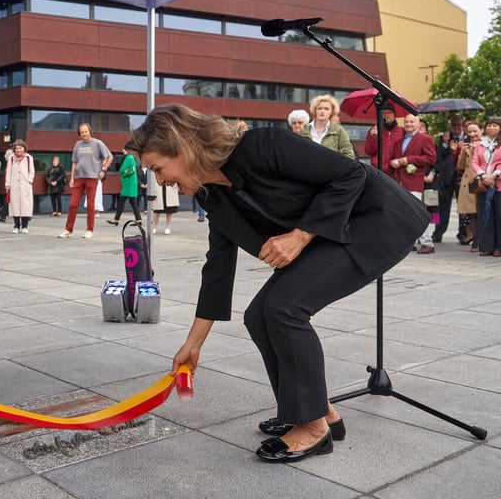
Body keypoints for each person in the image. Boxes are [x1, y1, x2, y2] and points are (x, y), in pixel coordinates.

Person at [124, 104, 427, 464]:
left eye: (159, 169)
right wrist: (193, 344)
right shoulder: (213, 195)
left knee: (285, 308)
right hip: (329, 233)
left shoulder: (261, 146)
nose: (160, 181)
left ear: (184, 148)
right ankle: (319, 410)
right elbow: (218, 270)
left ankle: (313, 429)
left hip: (376, 220)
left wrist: (299, 236)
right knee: (259, 315)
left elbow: (349, 175)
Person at [389, 114, 438, 254]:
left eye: (412, 121)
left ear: (418, 124)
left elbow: (431, 158)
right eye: (406, 122)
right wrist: (394, 162)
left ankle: (427, 243)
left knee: (415, 213)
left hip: (415, 180)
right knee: (405, 213)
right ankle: (412, 242)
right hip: (400, 180)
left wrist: (408, 159)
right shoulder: (400, 142)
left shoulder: (425, 139)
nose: (409, 124)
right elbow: (394, 159)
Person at [58, 123, 112, 239]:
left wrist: (103, 170)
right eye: (82, 132)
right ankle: (68, 229)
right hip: (79, 178)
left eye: (86, 131)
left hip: (92, 178)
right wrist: (72, 177)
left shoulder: (98, 143)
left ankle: (89, 229)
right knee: (73, 204)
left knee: (91, 205)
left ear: (90, 131)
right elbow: (74, 162)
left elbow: (109, 156)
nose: (84, 134)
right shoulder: (78, 144)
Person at [432, 115, 465, 243]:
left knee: (462, 207)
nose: (456, 128)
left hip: (461, 176)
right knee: (443, 207)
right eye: (454, 125)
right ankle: (438, 233)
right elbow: (439, 156)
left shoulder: (467, 137)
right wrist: (445, 144)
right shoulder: (445, 138)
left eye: (459, 125)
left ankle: (463, 234)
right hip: (447, 178)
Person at [471, 117, 501, 256]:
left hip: (498, 184)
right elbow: (474, 162)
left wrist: (494, 175)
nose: (491, 128)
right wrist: (483, 175)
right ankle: (487, 246)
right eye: (489, 125)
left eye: (495, 125)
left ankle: (499, 247)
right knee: (485, 215)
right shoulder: (480, 144)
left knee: (499, 216)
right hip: (483, 185)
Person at [300, 95, 355, 159]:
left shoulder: (338, 130)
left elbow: (349, 155)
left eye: (326, 109)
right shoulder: (304, 130)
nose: (322, 111)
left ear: (332, 112)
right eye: (319, 108)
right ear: (315, 110)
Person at [456, 120, 483, 251]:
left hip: (482, 180)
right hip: (469, 183)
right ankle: (475, 240)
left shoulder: (486, 144)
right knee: (472, 213)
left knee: (482, 212)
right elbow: (460, 166)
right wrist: (463, 151)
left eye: (475, 131)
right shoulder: (467, 146)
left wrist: (475, 150)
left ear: (481, 131)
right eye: (469, 132)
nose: (472, 134)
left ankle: (483, 239)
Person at [364, 101, 404, 179]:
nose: (386, 115)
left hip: (395, 173)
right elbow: (369, 151)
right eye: (384, 113)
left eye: (389, 113)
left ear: (394, 115)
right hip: (377, 171)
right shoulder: (375, 130)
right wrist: (374, 137)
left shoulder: (402, 131)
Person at [5, 139, 35, 234]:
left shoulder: (28, 158)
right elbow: (8, 171)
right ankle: (16, 226)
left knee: (25, 206)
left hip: (25, 185)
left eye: (20, 148)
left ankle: (25, 226)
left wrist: (29, 181)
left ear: (24, 148)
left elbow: (32, 171)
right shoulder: (11, 158)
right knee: (15, 206)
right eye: (17, 148)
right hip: (14, 185)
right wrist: (8, 184)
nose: (18, 150)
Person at [106, 145, 141, 226]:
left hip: (129, 183)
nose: (123, 150)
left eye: (124, 149)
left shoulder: (129, 157)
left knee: (123, 201)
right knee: (132, 202)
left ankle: (116, 219)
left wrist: (124, 171)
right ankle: (138, 220)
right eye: (123, 149)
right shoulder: (130, 157)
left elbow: (127, 169)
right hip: (130, 183)